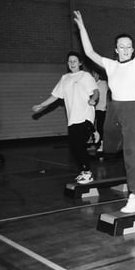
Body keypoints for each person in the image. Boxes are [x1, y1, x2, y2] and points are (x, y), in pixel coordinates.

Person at [73, 0, 135, 213]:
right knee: (109, 147)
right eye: (122, 47)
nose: (126, 50)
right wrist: (82, 28)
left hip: (133, 111)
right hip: (114, 109)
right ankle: (105, 139)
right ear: (116, 50)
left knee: (131, 154)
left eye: (129, 47)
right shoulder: (110, 65)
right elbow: (90, 53)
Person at [32, 51, 99, 184]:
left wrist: (93, 99)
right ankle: (83, 171)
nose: (72, 63)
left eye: (74, 61)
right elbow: (55, 96)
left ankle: (87, 172)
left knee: (79, 145)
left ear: (80, 63)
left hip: (85, 114)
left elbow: (96, 91)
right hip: (72, 118)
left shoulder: (85, 76)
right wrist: (41, 105)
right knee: (74, 147)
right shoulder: (65, 78)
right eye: (69, 61)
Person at [92, 69, 109, 153]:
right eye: (93, 74)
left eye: (96, 74)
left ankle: (101, 144)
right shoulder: (91, 85)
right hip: (94, 109)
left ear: (99, 75)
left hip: (102, 108)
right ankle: (94, 141)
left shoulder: (104, 83)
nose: (94, 76)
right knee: (90, 126)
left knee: (100, 127)